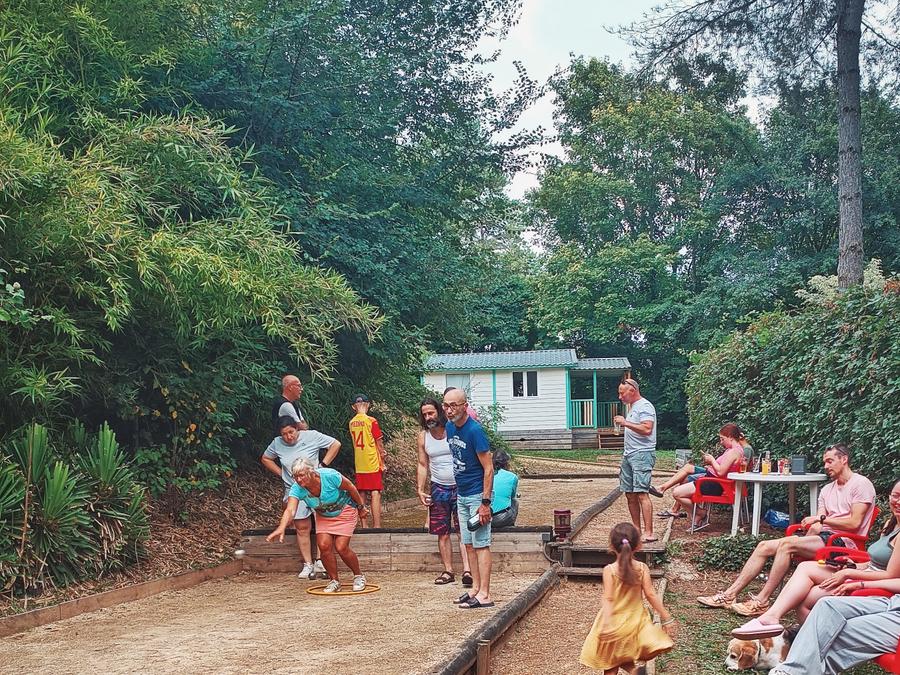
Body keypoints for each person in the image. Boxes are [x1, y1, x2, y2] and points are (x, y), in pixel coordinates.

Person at [697, 444, 876, 617]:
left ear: (844, 459)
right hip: (823, 538)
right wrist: (812, 529)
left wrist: (820, 521)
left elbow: (854, 523)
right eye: (824, 462)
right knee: (764, 546)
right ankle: (729, 595)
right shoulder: (827, 489)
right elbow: (819, 522)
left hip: (845, 542)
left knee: (787, 545)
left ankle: (762, 601)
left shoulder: (860, 484)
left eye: (830, 461)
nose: (826, 466)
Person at [731, 478, 900, 639]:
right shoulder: (890, 524)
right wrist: (854, 566)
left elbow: (890, 575)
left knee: (805, 600)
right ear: (889, 496)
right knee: (805, 567)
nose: (897, 502)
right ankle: (772, 617)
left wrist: (848, 573)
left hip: (879, 583)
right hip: (865, 570)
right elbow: (874, 561)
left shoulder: (862, 487)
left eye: (830, 462)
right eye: (895, 495)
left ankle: (821, 641)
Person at [579, 522, 676, 674]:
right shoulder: (642, 568)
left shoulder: (610, 570)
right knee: (625, 656)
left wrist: (607, 624)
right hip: (635, 623)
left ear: (612, 546)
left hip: (614, 623)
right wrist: (666, 618)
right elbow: (651, 594)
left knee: (611, 664)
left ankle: (635, 671)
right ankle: (635, 671)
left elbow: (608, 599)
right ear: (638, 546)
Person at [266, 459, 369, 593]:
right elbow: (290, 510)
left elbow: (350, 487)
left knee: (341, 547)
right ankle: (334, 581)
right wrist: (281, 527)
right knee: (324, 546)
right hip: (323, 515)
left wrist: (361, 507)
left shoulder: (329, 476)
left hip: (345, 509)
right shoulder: (297, 488)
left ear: (311, 472)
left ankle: (358, 576)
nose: (298, 479)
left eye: (301, 475)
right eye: (295, 476)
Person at [260, 416, 341, 579]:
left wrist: (323, 465)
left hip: (315, 486)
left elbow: (335, 444)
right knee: (302, 526)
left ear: (297, 429)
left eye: (291, 432)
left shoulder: (311, 436)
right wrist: (281, 473)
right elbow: (266, 458)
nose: (288, 437)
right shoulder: (277, 443)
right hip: (294, 488)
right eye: (284, 434)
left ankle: (321, 560)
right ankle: (307, 563)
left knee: (321, 523)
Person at [767, 589, 900, 675]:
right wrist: (860, 582)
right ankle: (793, 670)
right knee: (826, 605)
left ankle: (791, 671)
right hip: (895, 601)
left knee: (837, 633)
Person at [444, 387, 494, 609]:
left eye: (453, 405)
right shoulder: (449, 427)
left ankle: (485, 593)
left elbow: (489, 468)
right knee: (468, 544)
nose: (449, 410)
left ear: (465, 406)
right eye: (446, 405)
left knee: (481, 544)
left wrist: (485, 503)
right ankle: (474, 587)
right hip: (462, 493)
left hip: (477, 494)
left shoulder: (475, 431)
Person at [416, 397, 472, 586]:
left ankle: (468, 570)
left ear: (439, 411)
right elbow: (422, 464)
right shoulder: (423, 436)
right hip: (438, 486)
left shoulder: (453, 429)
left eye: (431, 413)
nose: (428, 417)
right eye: (424, 414)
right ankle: (448, 570)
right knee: (442, 531)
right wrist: (420, 489)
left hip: (460, 485)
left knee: (463, 529)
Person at [654, 423, 746, 528]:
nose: (721, 442)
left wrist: (712, 460)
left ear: (730, 437)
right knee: (681, 485)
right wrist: (711, 466)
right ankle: (697, 514)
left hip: (714, 483)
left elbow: (721, 472)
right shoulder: (734, 450)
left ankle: (700, 513)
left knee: (677, 493)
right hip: (713, 480)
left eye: (722, 439)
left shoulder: (734, 452)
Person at [613, 378, 658, 543]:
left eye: (622, 393)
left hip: (642, 454)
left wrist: (625, 423)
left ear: (632, 390)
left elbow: (647, 429)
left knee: (641, 493)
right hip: (629, 454)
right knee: (630, 494)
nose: (620, 397)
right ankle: (636, 531)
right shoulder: (632, 407)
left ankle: (649, 532)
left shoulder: (645, 406)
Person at [349, 393, 386, 528]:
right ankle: (377, 526)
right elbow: (379, 443)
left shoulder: (351, 422)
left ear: (354, 407)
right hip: (372, 461)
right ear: (368, 405)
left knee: (362, 492)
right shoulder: (371, 420)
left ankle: (364, 525)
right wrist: (382, 460)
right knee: (376, 492)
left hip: (359, 462)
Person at [491, 451, 519, 529]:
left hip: (483, 518)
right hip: (501, 518)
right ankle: (510, 525)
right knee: (515, 502)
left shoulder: (485, 474)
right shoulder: (512, 476)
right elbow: (512, 496)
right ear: (506, 463)